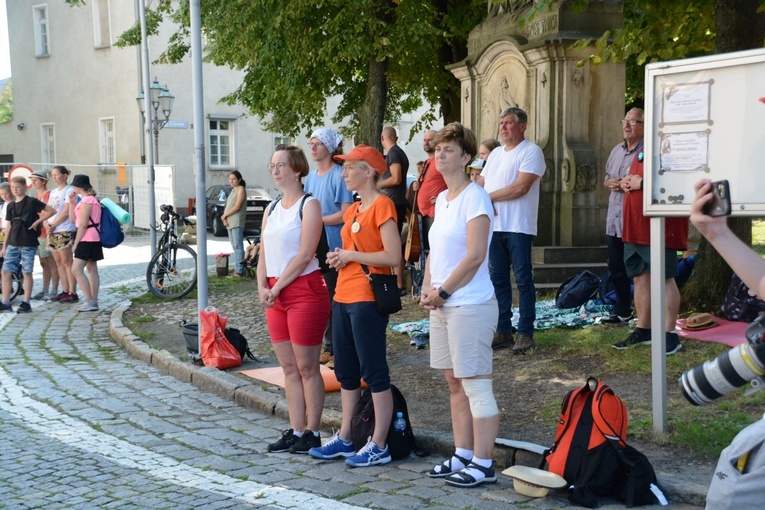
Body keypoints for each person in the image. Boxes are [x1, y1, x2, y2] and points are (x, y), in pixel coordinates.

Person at [308, 145, 401, 468]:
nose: (344, 173)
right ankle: (347, 437)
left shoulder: (383, 205)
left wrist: (350, 256)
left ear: (369, 171)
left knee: (374, 371)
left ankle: (379, 443)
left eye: (349, 168)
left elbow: (393, 257)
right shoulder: (354, 210)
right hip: (343, 295)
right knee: (346, 372)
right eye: (344, 168)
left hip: (367, 298)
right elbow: (352, 251)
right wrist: (339, 257)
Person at [420, 123, 499, 488]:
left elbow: (474, 256)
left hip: (469, 303)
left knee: (476, 385)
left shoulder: (474, 197)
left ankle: (484, 462)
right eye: (437, 149)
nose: (440, 155)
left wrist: (444, 292)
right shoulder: (443, 199)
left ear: (467, 157)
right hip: (443, 303)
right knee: (454, 384)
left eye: (448, 150)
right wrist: (426, 287)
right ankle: (462, 453)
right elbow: (436, 251)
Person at [259, 145, 331, 455]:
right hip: (275, 292)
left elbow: (305, 255)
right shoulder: (271, 207)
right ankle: (296, 428)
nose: (275, 170)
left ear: (297, 169)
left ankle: (312, 431)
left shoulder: (309, 205)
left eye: (281, 165)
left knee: (307, 367)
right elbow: (263, 251)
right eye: (272, 165)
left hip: (303, 290)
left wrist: (278, 287)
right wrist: (261, 285)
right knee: (288, 367)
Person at [481, 107, 546, 354]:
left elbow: (520, 188)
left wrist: (488, 199)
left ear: (522, 126)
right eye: (501, 123)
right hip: (494, 226)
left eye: (509, 123)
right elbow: (483, 182)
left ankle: (526, 332)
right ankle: (503, 329)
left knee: (522, 279)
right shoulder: (496, 153)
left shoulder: (532, 151)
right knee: (497, 279)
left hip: (518, 225)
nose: (504, 127)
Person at [611, 147, 687, 355]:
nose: (627, 125)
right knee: (639, 276)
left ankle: (669, 333)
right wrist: (626, 182)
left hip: (661, 225)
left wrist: (642, 184)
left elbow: (681, 183)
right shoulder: (644, 148)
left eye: (633, 121)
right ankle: (644, 330)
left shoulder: (674, 145)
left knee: (664, 277)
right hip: (635, 224)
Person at [304, 128, 354, 366]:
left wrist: (318, 219)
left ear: (330, 148)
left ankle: (335, 349)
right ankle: (328, 346)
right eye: (311, 143)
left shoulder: (339, 175)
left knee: (336, 299)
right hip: (316, 247)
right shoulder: (311, 177)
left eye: (318, 143)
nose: (312, 147)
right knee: (321, 299)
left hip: (335, 247)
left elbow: (346, 213)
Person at [602, 108, 644, 323]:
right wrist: (611, 183)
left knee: (638, 270)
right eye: (624, 121)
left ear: (644, 125)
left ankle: (644, 313)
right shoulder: (616, 151)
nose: (627, 126)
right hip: (615, 218)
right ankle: (622, 309)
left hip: (635, 220)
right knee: (616, 266)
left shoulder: (646, 150)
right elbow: (607, 179)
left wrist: (627, 183)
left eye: (633, 122)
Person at [1, 176, 55, 313]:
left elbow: (51, 211)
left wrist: (38, 222)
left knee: (27, 272)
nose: (15, 190)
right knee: (5, 271)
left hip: (28, 243)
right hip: (13, 242)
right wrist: (4, 246)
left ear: (25, 187)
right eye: (13, 188)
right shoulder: (11, 205)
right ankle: (5, 301)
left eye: (18, 187)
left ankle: (26, 302)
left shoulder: (31, 202)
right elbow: (9, 226)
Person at [379, 126, 410, 293]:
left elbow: (396, 178)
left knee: (393, 243)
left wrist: (378, 184)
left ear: (383, 138)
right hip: (396, 201)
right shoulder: (397, 152)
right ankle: (396, 282)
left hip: (394, 202)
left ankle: (398, 284)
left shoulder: (394, 153)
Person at [68, 174, 103, 313]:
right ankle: (93, 301)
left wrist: (76, 244)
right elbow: (72, 220)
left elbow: (82, 224)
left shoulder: (88, 200)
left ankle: (89, 301)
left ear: (79, 187)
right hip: (93, 237)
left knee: (76, 270)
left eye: (74, 186)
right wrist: (71, 203)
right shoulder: (86, 200)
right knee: (92, 269)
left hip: (86, 238)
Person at [44, 165, 79, 303]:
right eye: (52, 175)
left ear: (65, 175)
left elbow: (65, 211)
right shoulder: (53, 192)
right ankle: (64, 290)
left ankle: (72, 291)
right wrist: (46, 223)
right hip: (52, 230)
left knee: (67, 262)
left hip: (64, 229)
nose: (54, 177)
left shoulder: (69, 190)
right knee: (58, 262)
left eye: (57, 174)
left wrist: (54, 224)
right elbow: (48, 209)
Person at [412, 129, 446, 255]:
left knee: (434, 251)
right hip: (423, 213)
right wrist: (417, 185)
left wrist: (442, 198)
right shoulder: (427, 162)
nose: (426, 142)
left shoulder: (441, 161)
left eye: (430, 139)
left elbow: (452, 182)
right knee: (425, 251)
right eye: (425, 140)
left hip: (434, 213)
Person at [29, 171, 59, 301]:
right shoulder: (37, 196)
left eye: (36, 180)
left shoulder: (48, 195)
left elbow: (47, 212)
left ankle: (54, 290)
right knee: (43, 262)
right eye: (32, 180)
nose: (33, 182)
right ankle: (45, 289)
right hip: (39, 232)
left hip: (46, 232)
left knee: (51, 262)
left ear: (43, 181)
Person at [221, 171, 247, 277]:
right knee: (234, 246)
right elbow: (228, 206)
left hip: (236, 221)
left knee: (238, 246)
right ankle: (238, 267)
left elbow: (237, 206)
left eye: (234, 179)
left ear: (239, 180)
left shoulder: (241, 189)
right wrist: (224, 218)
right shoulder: (233, 190)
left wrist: (224, 216)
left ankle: (239, 270)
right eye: (230, 179)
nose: (231, 181)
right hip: (230, 222)